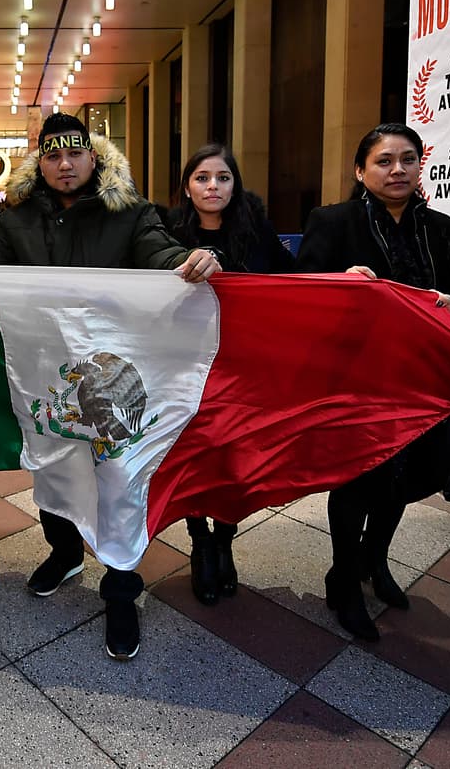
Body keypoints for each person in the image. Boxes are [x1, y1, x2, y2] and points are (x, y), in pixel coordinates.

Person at [0, 112, 221, 660]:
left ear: (94, 157)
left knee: (118, 478)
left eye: (75, 154)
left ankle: (120, 590)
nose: (65, 165)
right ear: (39, 162)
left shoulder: (131, 212)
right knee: (51, 462)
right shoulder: (16, 217)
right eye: (52, 155)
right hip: (48, 373)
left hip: (113, 374)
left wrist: (191, 261)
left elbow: (160, 255)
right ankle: (63, 551)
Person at [295, 123, 450, 641]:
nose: (397, 170)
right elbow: (302, 287)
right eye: (384, 161)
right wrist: (339, 284)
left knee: (402, 477)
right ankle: (342, 577)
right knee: (357, 476)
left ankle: (375, 561)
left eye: (408, 160)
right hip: (355, 375)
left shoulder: (439, 229)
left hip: (418, 375)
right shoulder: (333, 221)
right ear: (360, 171)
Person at [166, 143, 295, 605]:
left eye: (222, 177)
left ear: (235, 184)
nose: (213, 186)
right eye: (202, 178)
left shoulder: (257, 231)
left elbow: (295, 282)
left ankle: (224, 541)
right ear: (187, 186)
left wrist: (348, 277)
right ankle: (200, 542)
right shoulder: (168, 231)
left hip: (243, 368)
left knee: (234, 459)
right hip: (187, 367)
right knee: (193, 456)